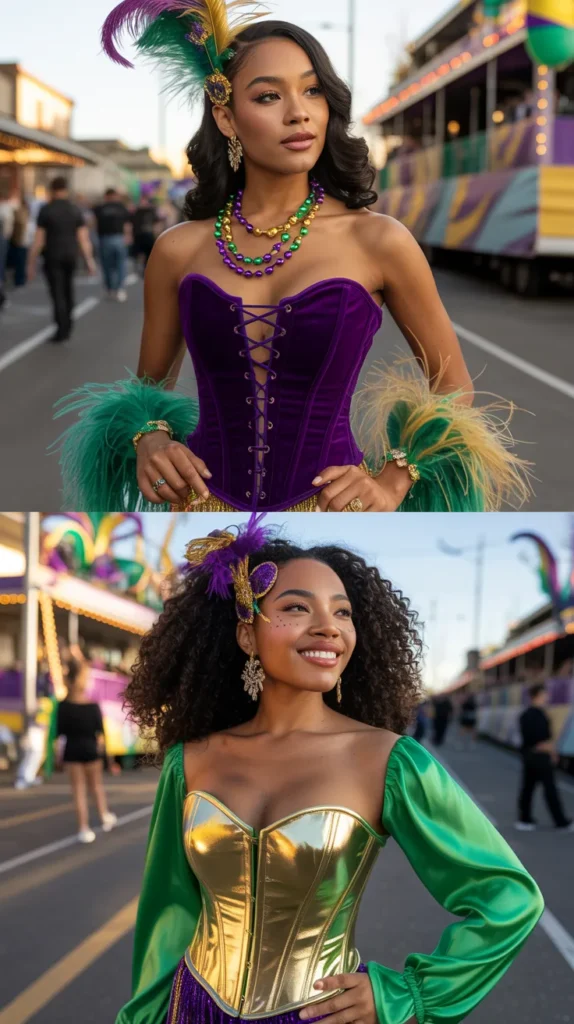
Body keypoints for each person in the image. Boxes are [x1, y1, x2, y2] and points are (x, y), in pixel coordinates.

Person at [55, 0, 531, 514]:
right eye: (267, 96)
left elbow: (454, 388)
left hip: (334, 515)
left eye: (312, 91)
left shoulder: (380, 241)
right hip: (200, 515)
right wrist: (149, 439)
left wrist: (393, 480)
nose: (298, 112)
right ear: (226, 116)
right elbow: (147, 396)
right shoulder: (178, 249)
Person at [114, 516, 543, 1024]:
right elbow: (169, 912)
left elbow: (509, 899)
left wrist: (402, 995)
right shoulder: (191, 761)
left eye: (343, 613)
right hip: (193, 1009)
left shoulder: (390, 760)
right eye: (297, 607)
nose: (329, 627)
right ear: (247, 634)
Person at [46, 645, 117, 843]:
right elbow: (100, 735)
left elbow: (59, 734)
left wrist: (56, 757)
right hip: (90, 748)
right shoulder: (93, 706)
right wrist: (107, 757)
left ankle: (83, 828)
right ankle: (104, 816)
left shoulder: (63, 706)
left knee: (78, 790)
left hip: (72, 749)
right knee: (96, 786)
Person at [27, 176, 97, 342]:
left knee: (57, 292)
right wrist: (89, 260)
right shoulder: (75, 209)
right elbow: (83, 238)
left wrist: (30, 262)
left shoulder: (46, 210)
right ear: (66, 190)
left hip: (52, 255)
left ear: (52, 190)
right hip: (71, 255)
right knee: (68, 289)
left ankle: (61, 328)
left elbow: (39, 239)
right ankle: (68, 323)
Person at [516, 683, 573, 832]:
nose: (547, 697)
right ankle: (560, 821)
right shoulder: (538, 715)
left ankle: (524, 819)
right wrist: (551, 752)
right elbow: (540, 740)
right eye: (544, 695)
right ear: (537, 696)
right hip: (539, 757)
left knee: (528, 788)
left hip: (530, 756)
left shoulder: (527, 714)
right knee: (550, 789)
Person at [93, 187, 133, 301]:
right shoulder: (121, 207)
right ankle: (120, 289)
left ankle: (110, 289)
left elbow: (93, 223)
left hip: (104, 239)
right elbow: (127, 224)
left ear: (106, 196)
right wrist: (128, 237)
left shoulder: (99, 208)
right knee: (121, 265)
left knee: (107, 266)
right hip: (119, 238)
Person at [14, 705, 47, 790]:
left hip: (35, 732)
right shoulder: (40, 706)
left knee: (33, 756)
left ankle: (28, 777)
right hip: (34, 732)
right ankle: (25, 778)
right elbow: (39, 720)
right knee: (33, 755)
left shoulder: (41, 705)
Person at [8, 199, 33, 288]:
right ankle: (20, 280)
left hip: (20, 242)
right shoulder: (22, 215)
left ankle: (19, 279)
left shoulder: (20, 214)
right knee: (21, 262)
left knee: (20, 262)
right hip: (22, 242)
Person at [131, 196, 161, 273]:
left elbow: (156, 223)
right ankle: (140, 268)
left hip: (148, 235)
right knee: (138, 254)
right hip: (138, 235)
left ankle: (146, 268)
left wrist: (156, 234)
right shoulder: (136, 211)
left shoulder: (151, 210)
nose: (143, 203)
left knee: (148, 254)